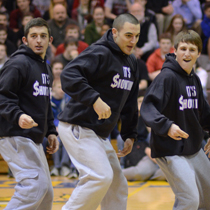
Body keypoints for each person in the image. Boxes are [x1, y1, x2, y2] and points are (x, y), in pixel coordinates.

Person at [58, 13, 140, 210]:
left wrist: (129, 134)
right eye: (128, 35)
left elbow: (129, 102)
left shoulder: (132, 62)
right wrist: (94, 99)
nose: (133, 41)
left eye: (136, 36)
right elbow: (68, 75)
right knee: (100, 177)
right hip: (78, 126)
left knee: (117, 185)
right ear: (114, 32)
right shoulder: (99, 52)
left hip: (99, 134)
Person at [140, 30, 210, 209]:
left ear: (198, 54)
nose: (187, 53)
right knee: (189, 199)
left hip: (193, 148)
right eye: (183, 48)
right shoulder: (166, 77)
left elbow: (203, 112)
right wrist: (167, 126)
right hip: (169, 149)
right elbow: (147, 107)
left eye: (192, 50)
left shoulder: (194, 79)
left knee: (207, 197)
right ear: (176, 50)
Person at [0, 17, 59, 209]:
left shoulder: (46, 68)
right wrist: (17, 115)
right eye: (34, 36)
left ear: (50, 40)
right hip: (14, 134)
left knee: (46, 194)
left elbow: (45, 102)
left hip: (33, 137)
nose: (39, 40)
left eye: (43, 36)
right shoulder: (17, 64)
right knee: (34, 187)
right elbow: (2, 97)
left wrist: (51, 131)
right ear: (25, 40)